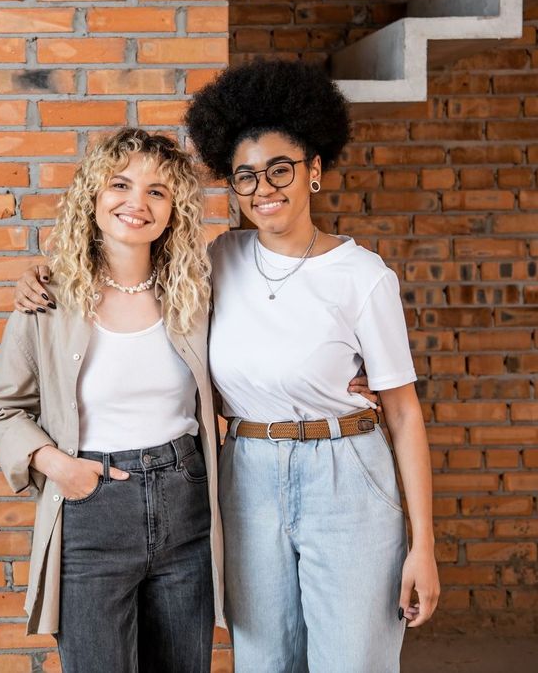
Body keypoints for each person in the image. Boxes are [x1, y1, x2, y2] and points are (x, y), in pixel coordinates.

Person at [184, 59, 438, 672]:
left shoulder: (362, 275)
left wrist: (423, 546)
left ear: (314, 171)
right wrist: (46, 279)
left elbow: (402, 413)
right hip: (247, 473)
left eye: (280, 169)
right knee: (264, 661)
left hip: (346, 474)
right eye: (245, 177)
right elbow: (128, 277)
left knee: (352, 662)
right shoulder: (219, 259)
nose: (263, 189)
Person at [0, 128, 225, 673]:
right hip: (91, 509)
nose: (137, 203)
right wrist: (60, 468)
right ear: (93, 197)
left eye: (157, 192)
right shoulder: (48, 298)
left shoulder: (198, 293)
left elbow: (252, 370)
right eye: (120, 185)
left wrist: (341, 385)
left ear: (174, 211)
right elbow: (1, 408)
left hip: (186, 501)